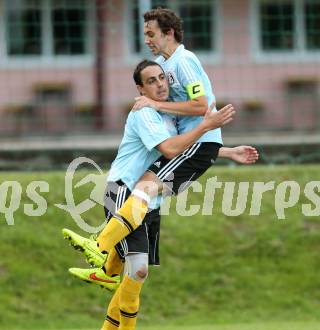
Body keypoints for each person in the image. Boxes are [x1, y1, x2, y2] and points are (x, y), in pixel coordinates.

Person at [64, 8, 258, 285]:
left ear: (169, 33)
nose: (146, 39)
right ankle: (106, 269)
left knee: (142, 189)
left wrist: (155, 104)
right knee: (143, 194)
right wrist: (225, 151)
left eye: (151, 33)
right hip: (194, 146)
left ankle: (101, 246)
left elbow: (201, 105)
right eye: (145, 34)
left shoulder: (184, 61)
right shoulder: (162, 65)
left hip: (196, 144)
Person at [74, 60, 236, 330]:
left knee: (136, 275)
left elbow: (183, 148)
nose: (160, 84)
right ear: (140, 89)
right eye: (151, 81)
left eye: (162, 78)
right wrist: (207, 124)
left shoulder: (166, 112)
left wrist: (226, 151)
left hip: (148, 201)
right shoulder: (145, 112)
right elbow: (170, 149)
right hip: (123, 192)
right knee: (137, 271)